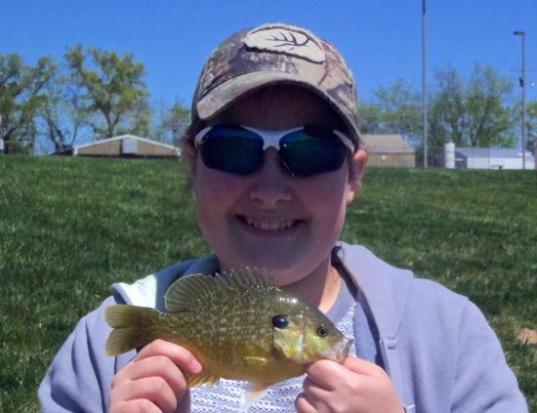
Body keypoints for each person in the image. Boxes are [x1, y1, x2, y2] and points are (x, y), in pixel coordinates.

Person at [39, 23, 528, 413]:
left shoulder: (448, 337)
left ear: (353, 176)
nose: (270, 191)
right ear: (192, 165)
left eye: (308, 151)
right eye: (234, 149)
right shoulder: (103, 348)